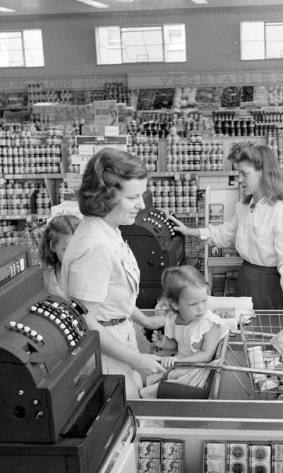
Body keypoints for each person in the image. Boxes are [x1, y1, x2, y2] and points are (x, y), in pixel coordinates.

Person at [60, 147, 166, 399]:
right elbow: (86, 322)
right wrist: (136, 359)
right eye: (133, 197)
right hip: (106, 359)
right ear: (105, 196)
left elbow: (114, 296)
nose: (141, 205)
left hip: (120, 340)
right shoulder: (95, 245)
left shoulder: (110, 230)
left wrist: (147, 321)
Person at [168, 142, 283, 310]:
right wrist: (188, 231)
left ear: (263, 174)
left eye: (244, 174)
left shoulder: (281, 212)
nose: (240, 179)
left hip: (269, 286)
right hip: (245, 278)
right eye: (238, 173)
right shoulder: (245, 206)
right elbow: (224, 234)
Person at [140, 265, 228, 398]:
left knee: (160, 389)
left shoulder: (209, 323)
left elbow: (206, 355)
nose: (201, 308)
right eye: (193, 304)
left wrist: (178, 360)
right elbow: (177, 344)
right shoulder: (173, 319)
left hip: (198, 369)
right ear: (175, 304)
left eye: (204, 301)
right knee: (148, 378)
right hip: (179, 363)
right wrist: (163, 343)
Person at [38, 214, 80, 296]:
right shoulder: (47, 278)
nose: (75, 256)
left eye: (80, 249)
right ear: (53, 246)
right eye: (67, 250)